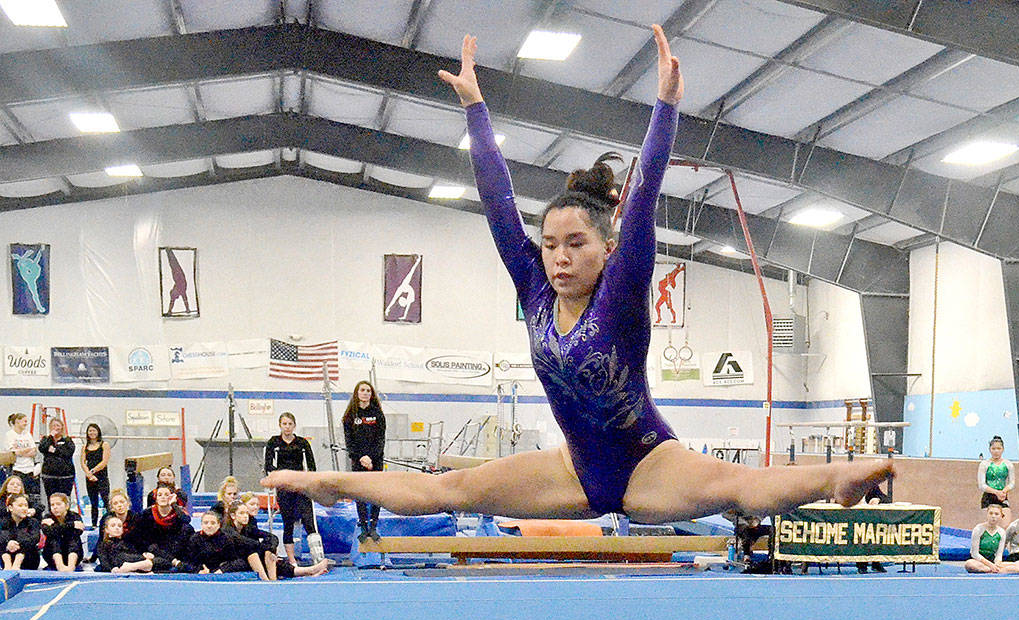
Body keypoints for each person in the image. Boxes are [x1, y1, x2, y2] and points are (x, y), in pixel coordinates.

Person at [264, 27, 892, 525]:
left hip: (649, 465)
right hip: (571, 471)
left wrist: (666, 107)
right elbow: (498, 206)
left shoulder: (620, 293)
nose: (558, 257)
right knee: (447, 490)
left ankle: (833, 478)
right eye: (550, 246)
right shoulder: (535, 292)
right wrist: (477, 112)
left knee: (740, 487)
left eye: (575, 244)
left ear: (606, 248)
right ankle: (327, 482)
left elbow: (641, 200)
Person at [264, 412, 322, 563]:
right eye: (284, 424)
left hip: (301, 486)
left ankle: (318, 557)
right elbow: (268, 465)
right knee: (288, 522)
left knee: (309, 520)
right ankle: (292, 560)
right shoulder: (274, 442)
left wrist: (310, 482)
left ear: (294, 426)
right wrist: (278, 477)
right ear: (280, 425)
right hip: (284, 486)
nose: (287, 427)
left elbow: (312, 465)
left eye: (290, 424)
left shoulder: (302, 443)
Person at [229, 501, 328, 580]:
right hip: (233, 562)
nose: (246, 516)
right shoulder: (229, 530)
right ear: (233, 515)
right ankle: (269, 581)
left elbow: (271, 537)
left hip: (250, 560)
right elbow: (247, 544)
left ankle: (309, 571)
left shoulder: (248, 526)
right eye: (241, 513)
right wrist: (266, 551)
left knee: (273, 557)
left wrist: (270, 550)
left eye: (246, 513)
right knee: (256, 554)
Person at [341, 382, 387, 543]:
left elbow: (380, 440)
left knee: (376, 494)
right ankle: (363, 526)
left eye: (368, 391)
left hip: (375, 461)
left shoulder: (378, 414)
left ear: (372, 394)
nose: (366, 393)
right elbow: (349, 442)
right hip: (358, 460)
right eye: (363, 390)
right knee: (360, 493)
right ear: (357, 393)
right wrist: (361, 457)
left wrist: (371, 458)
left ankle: (373, 526)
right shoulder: (349, 416)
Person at [179, 510, 269, 579]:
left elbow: (238, 561)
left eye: (213, 523)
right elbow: (187, 562)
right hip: (201, 575)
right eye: (206, 523)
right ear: (201, 525)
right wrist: (198, 570)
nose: (209, 526)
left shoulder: (226, 539)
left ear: (218, 525)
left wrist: (223, 569)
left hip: (222, 574)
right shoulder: (194, 539)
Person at [129, 483, 192, 572]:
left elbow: (186, 521)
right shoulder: (147, 513)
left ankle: (167, 562)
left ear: (172, 497)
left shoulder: (177, 512)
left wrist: (174, 504)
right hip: (155, 550)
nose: (163, 497)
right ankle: (174, 562)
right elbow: (140, 536)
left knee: (187, 529)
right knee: (153, 549)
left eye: (166, 495)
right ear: (156, 498)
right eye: (160, 495)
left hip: (174, 549)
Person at [965, 503, 1019, 573]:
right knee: (969, 564)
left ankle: (993, 570)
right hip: (979, 562)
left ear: (1001, 516)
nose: (993, 516)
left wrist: (997, 563)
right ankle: (994, 570)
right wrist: (990, 565)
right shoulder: (978, 529)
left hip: (993, 562)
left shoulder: (1001, 532)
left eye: (996, 514)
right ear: (987, 515)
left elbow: (999, 555)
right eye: (991, 513)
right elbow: (974, 553)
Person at [37, 417, 76, 509]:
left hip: (65, 476)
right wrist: (50, 436)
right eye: (53, 425)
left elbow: (67, 452)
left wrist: (54, 450)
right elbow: (42, 448)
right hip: (49, 476)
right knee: (51, 499)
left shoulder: (67, 440)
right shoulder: (46, 439)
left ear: (62, 427)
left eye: (58, 425)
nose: (56, 428)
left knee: (64, 499)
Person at [40, 492, 85, 571]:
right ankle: (60, 565)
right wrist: (71, 525)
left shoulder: (75, 516)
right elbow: (48, 532)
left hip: (72, 553)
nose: (55, 507)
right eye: (52, 505)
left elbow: (78, 532)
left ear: (67, 506)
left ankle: (71, 566)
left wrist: (56, 528)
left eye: (58, 504)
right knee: (54, 539)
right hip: (52, 556)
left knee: (72, 538)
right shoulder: (47, 517)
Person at [4, 412, 40, 503]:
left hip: (29, 469)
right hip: (17, 469)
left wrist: (22, 451)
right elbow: (14, 452)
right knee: (17, 495)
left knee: (29, 495)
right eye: (24, 421)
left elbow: (34, 451)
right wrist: (25, 450)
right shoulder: (10, 435)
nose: (26, 423)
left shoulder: (27, 434)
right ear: (17, 422)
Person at [80, 422, 111, 525]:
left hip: (101, 476)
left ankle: (110, 521)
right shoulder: (85, 446)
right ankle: (94, 524)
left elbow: (104, 462)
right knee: (93, 502)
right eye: (90, 431)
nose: (92, 433)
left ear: (98, 432)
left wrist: (93, 471)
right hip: (89, 477)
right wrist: (88, 474)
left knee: (106, 499)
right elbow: (83, 462)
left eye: (94, 430)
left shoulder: (104, 445)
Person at [977, 436, 1015, 519]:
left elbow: (1012, 483)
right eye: (993, 449)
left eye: (998, 448)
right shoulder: (984, 464)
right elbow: (982, 485)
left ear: (1003, 449)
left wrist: (1004, 491)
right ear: (990, 449)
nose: (996, 451)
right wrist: (996, 492)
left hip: (1002, 496)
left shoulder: (1008, 464)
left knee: (1005, 524)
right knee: (988, 525)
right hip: (988, 497)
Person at [2, 493, 41, 569]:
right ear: (10, 508)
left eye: (26, 505)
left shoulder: (33, 521)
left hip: (28, 560)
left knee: (27, 542)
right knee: (3, 544)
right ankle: (7, 564)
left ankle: (17, 563)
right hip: (8, 556)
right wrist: (8, 543)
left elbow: (35, 538)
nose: (24, 508)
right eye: (20, 506)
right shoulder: (3, 521)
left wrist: (18, 544)